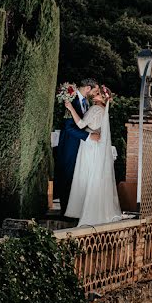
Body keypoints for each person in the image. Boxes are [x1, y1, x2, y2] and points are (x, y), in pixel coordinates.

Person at [63, 87, 122, 226]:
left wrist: (71, 108)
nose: (94, 95)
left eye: (98, 94)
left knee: (85, 175)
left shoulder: (95, 109)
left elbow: (81, 124)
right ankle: (91, 208)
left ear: (102, 99)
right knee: (92, 177)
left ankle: (84, 210)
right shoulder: (102, 111)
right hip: (95, 145)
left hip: (89, 145)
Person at [55, 78, 100, 216]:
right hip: (69, 144)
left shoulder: (85, 102)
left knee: (76, 176)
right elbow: (68, 128)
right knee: (67, 176)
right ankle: (66, 211)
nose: (94, 94)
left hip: (81, 146)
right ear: (87, 88)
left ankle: (74, 209)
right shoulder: (71, 100)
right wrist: (88, 137)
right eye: (94, 91)